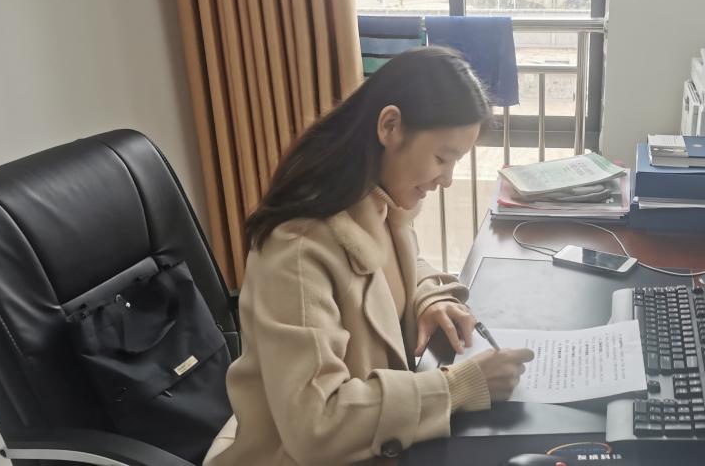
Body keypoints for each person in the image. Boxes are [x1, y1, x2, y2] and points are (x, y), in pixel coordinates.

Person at [203, 47, 535, 466]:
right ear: (390, 126)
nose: (447, 180)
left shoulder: (377, 203)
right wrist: (457, 388)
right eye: (441, 158)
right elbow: (316, 426)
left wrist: (428, 297)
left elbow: (395, 269)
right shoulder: (297, 250)